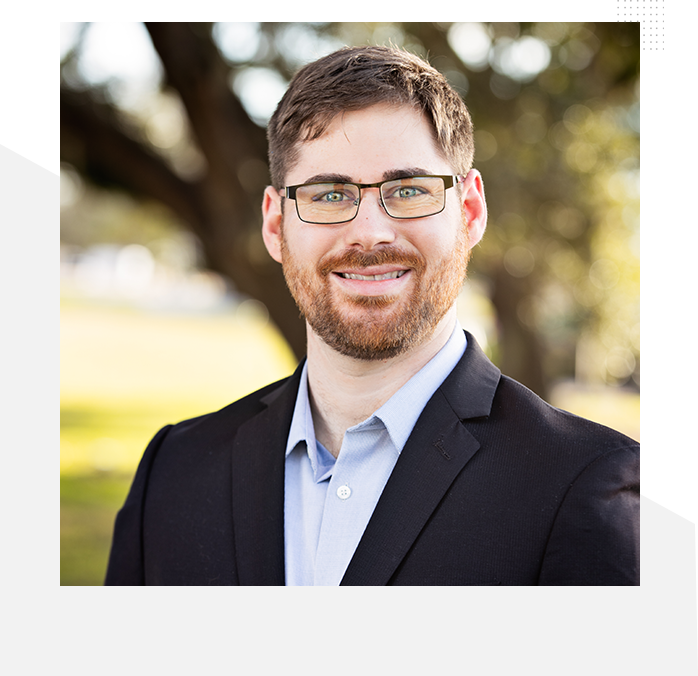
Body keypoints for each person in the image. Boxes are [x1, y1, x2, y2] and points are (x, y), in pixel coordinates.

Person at [105, 45, 639, 586]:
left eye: (408, 190)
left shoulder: (585, 485)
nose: (369, 232)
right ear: (275, 225)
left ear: (470, 212)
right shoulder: (173, 473)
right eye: (329, 194)